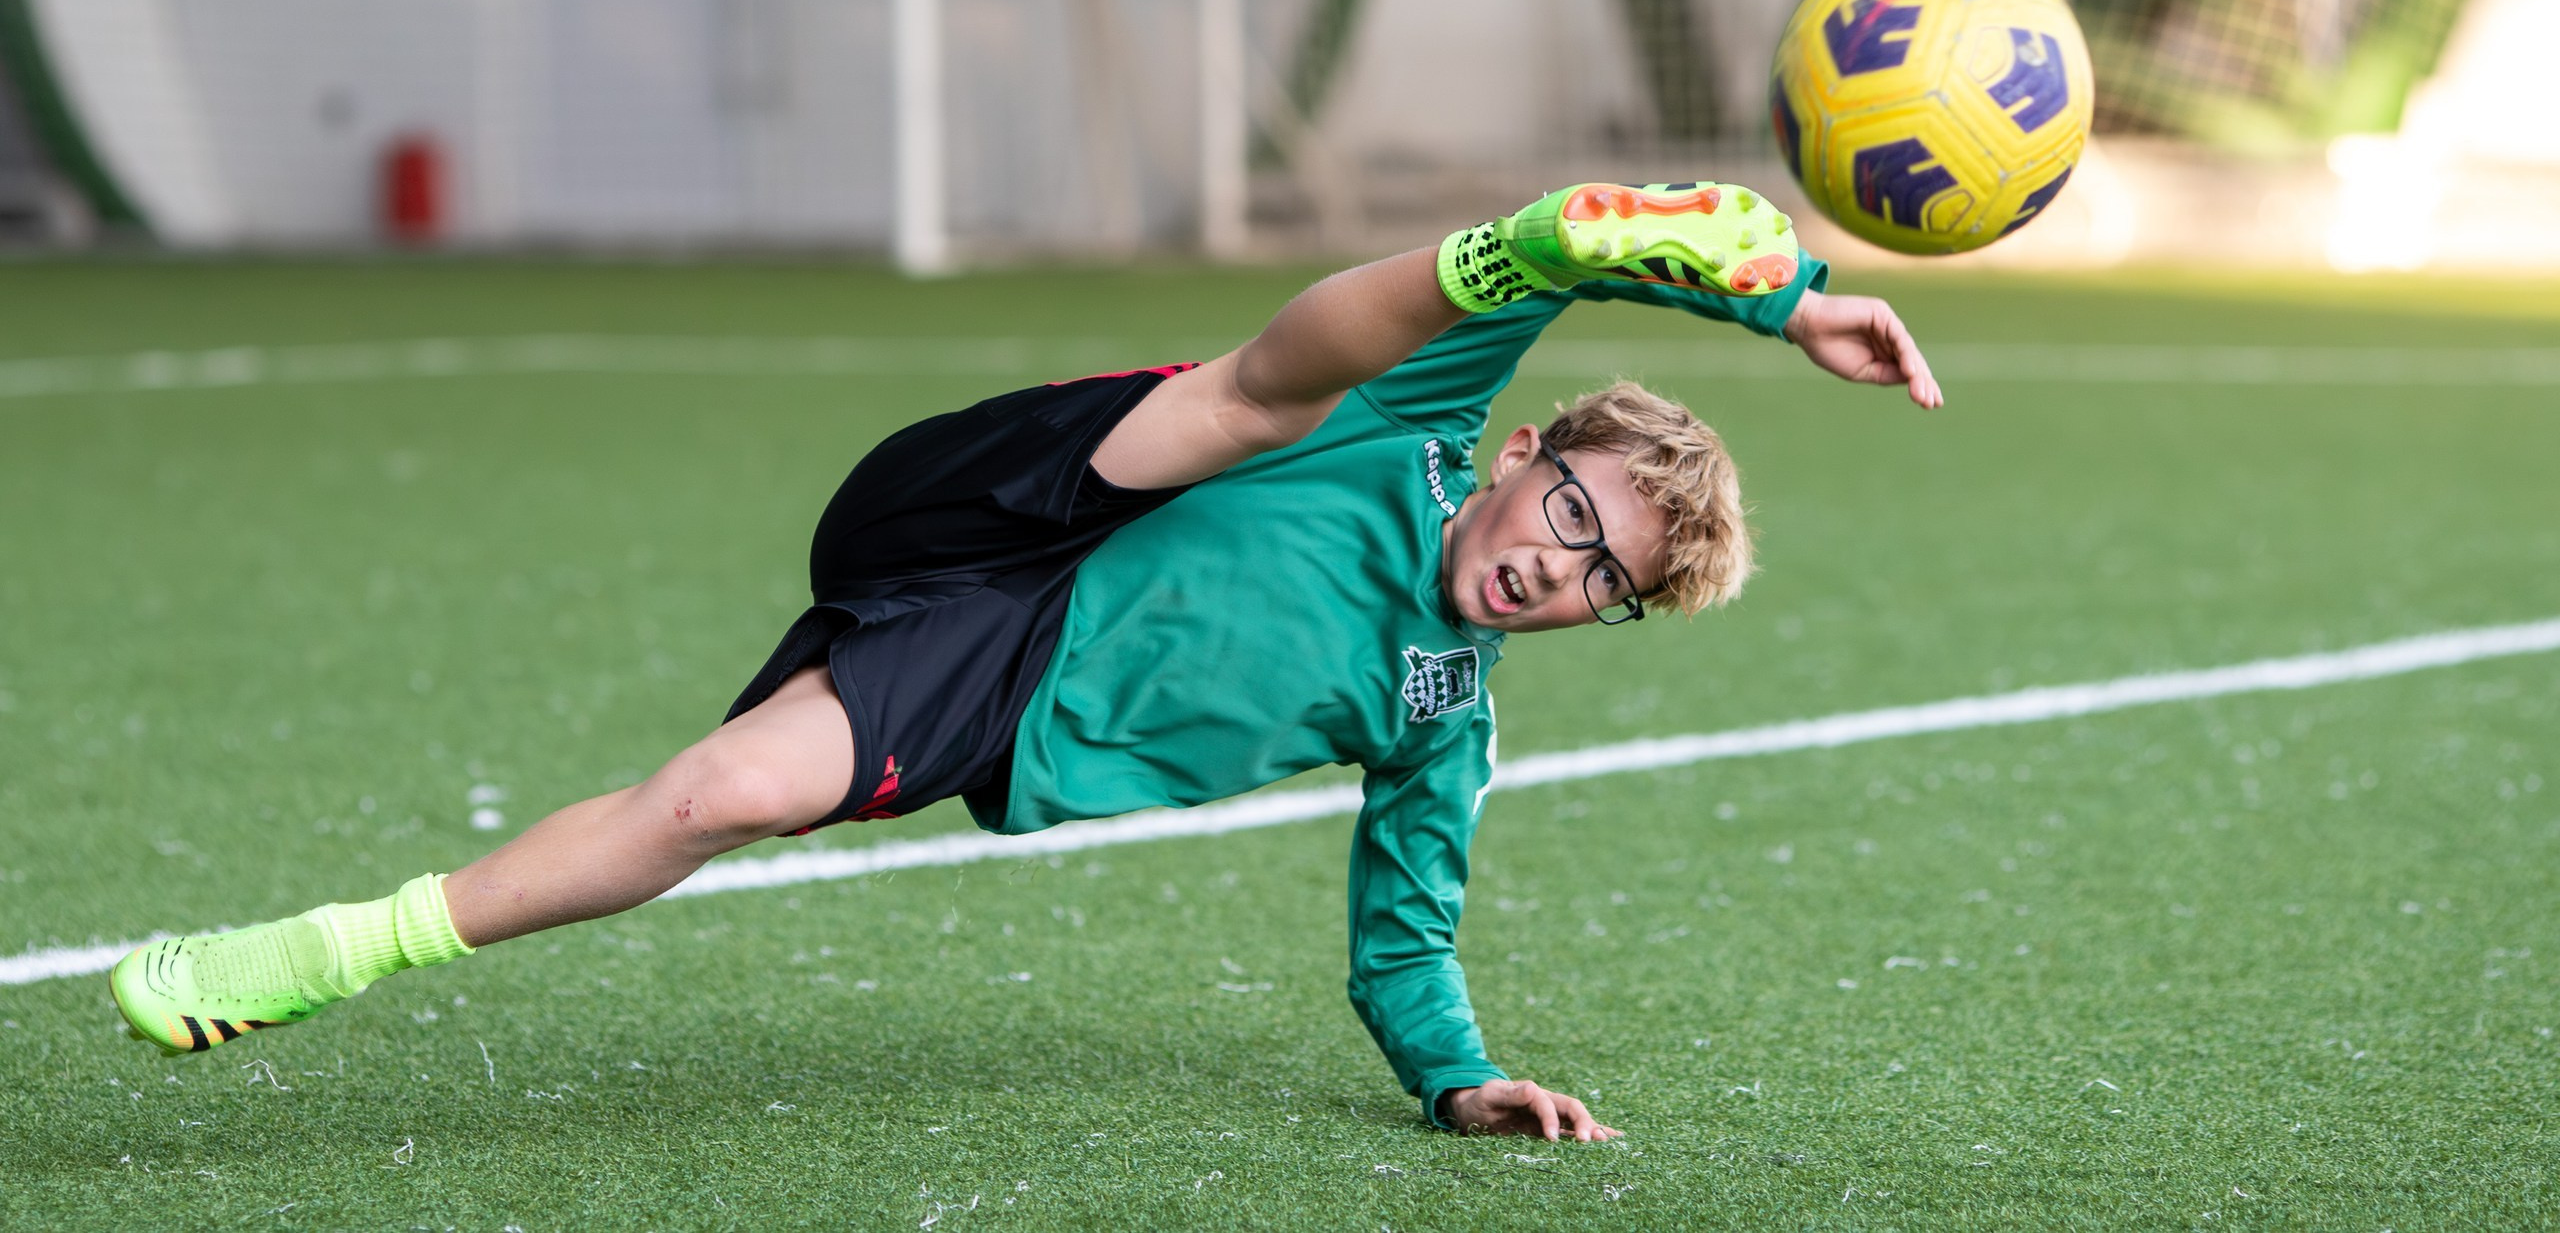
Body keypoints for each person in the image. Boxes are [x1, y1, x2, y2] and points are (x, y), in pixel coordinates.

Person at [111, 182, 1939, 1142]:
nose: (1556, 569)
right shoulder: (1439, 424)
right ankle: (1512, 242)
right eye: (1574, 516)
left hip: (1003, 661)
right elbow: (1550, 279)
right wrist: (1777, 298)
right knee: (1267, 391)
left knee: (725, 791)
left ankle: (322, 951)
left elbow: (1410, 923)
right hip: (1033, 478)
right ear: (1535, 454)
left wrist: (1460, 1075)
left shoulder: (1438, 712)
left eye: (1601, 585)